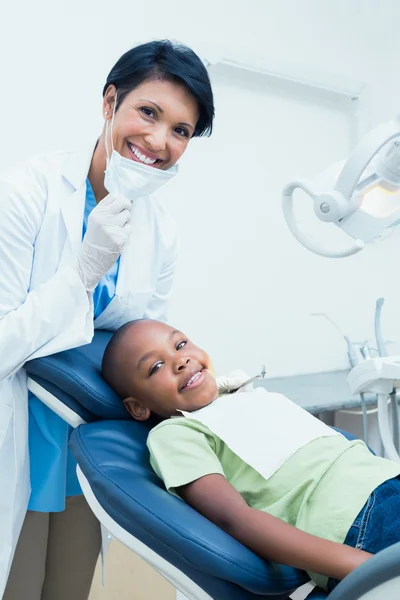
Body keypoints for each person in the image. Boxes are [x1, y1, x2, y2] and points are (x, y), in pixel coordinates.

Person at [0, 40, 214, 599]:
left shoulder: (160, 230)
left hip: (91, 446)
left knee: (68, 590)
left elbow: (143, 352)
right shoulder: (29, 192)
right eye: (148, 113)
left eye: (181, 131)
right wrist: (82, 271)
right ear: (109, 102)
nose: (159, 141)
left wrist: (198, 385)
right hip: (14, 432)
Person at [101, 318, 400, 593]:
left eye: (180, 345)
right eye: (155, 367)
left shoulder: (246, 397)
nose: (180, 361)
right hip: (362, 519)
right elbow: (235, 519)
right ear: (138, 407)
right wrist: (364, 568)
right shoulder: (176, 433)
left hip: (387, 479)